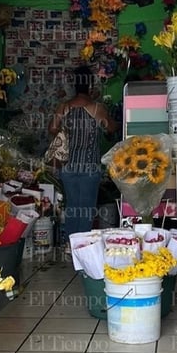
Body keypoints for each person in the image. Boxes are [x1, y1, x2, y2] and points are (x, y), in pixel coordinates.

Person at [48, 66, 118, 249]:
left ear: (74, 85)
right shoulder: (97, 108)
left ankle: (72, 248)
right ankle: (84, 250)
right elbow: (112, 128)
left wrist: (66, 131)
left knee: (72, 209)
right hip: (90, 168)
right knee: (86, 211)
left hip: (68, 168)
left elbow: (52, 129)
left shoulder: (64, 107)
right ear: (90, 84)